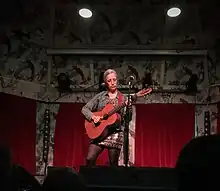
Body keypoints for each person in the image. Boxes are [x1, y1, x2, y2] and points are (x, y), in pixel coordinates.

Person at [81, 69, 134, 167]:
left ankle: (112, 182)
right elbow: (85, 109)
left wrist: (129, 108)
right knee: (89, 158)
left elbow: (127, 119)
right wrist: (93, 117)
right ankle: (91, 181)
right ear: (105, 83)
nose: (112, 83)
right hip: (100, 132)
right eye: (109, 81)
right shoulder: (100, 96)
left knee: (113, 163)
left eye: (114, 80)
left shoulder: (123, 98)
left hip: (115, 132)